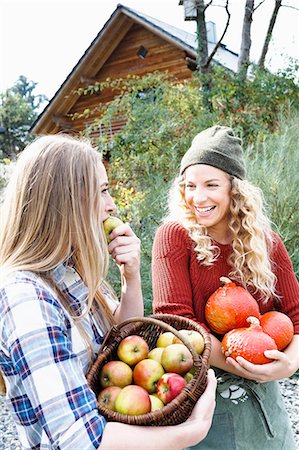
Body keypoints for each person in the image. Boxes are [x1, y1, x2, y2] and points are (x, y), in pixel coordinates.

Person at [0, 134, 217, 450]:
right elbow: (81, 442)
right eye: (102, 191)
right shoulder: (26, 299)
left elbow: (122, 344)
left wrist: (130, 278)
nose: (111, 204)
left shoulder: (68, 271)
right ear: (66, 201)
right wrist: (193, 429)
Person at [152, 125, 299, 450]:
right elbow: (175, 322)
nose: (197, 197)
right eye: (189, 185)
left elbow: (297, 316)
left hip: (264, 393)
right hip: (201, 387)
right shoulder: (174, 238)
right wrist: (242, 363)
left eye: (211, 185)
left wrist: (288, 364)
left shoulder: (266, 243)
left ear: (236, 189)